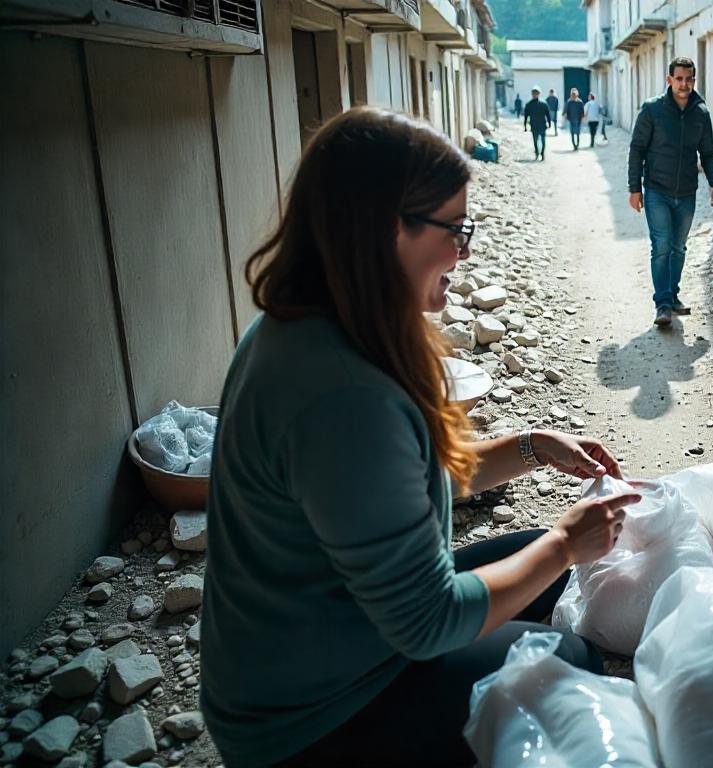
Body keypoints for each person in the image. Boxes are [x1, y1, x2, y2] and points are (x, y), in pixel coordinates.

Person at [200, 107, 640, 767]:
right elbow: (427, 623)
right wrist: (562, 542)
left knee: (554, 576)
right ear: (386, 229)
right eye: (455, 229)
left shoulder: (309, 326)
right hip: (313, 713)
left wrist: (532, 446)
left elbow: (399, 482)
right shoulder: (345, 397)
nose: (466, 250)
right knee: (572, 655)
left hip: (335, 624)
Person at [627, 56, 713, 327]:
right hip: (656, 190)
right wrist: (634, 188)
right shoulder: (651, 110)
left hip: (687, 192)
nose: (684, 84)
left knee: (679, 247)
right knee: (662, 245)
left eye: (689, 79)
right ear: (669, 80)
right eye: (679, 79)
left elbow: (708, 152)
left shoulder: (701, 113)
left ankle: (672, 295)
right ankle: (663, 304)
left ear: (694, 80)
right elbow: (637, 150)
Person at [522, 86, 551, 161]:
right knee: (537, 140)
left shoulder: (540, 104)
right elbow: (526, 116)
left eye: (536, 93)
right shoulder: (531, 104)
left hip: (539, 125)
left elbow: (548, 114)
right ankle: (538, 153)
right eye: (534, 93)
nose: (535, 94)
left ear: (539, 94)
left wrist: (549, 123)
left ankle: (541, 153)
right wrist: (525, 126)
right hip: (536, 125)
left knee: (540, 140)